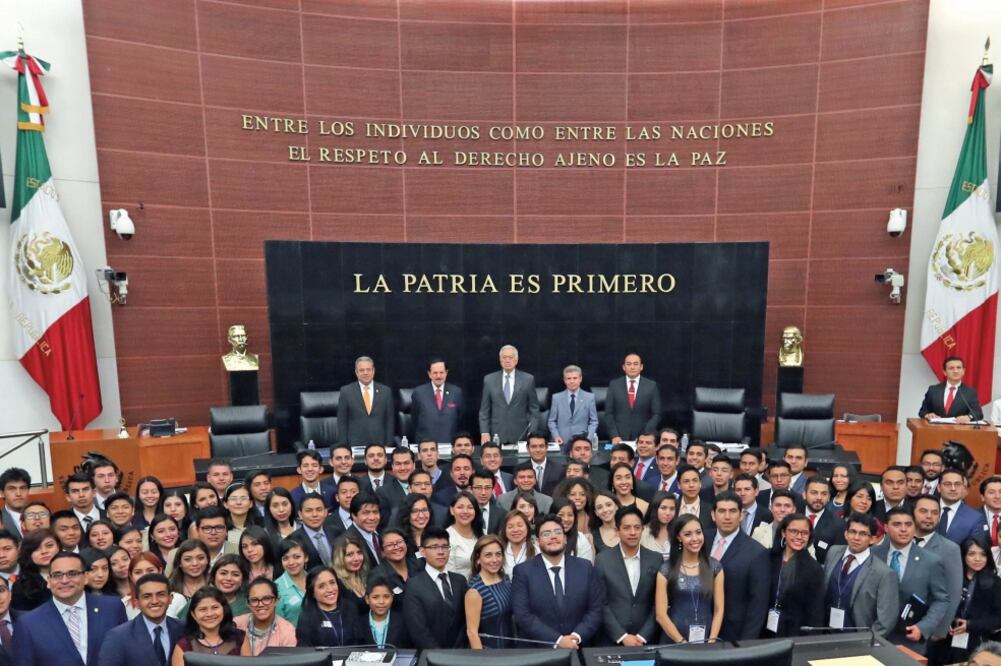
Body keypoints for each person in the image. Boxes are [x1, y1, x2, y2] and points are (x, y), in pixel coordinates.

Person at [13, 551, 127, 665]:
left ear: (86, 577)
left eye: (72, 574)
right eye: (57, 575)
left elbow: (127, 653)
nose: (64, 581)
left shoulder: (112, 608)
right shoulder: (29, 623)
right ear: (49, 581)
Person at [511, 513, 604, 647]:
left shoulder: (585, 567)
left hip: (578, 647)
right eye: (546, 534)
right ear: (537, 541)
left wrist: (577, 636)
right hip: (540, 650)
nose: (553, 537)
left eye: (557, 532)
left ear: (565, 538)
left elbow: (596, 609)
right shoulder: (523, 571)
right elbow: (523, 615)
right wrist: (558, 640)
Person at [873, 507, 951, 652]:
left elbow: (941, 600)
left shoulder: (931, 561)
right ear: (886, 528)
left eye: (908, 525)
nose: (903, 529)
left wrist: (923, 627)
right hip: (874, 636)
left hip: (909, 638)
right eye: (897, 525)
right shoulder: (873, 555)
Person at [822, 512, 899, 638]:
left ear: (873, 539)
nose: (856, 538)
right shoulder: (833, 552)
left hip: (858, 640)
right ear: (846, 534)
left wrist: (866, 641)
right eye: (853, 532)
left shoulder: (884, 573)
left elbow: (886, 621)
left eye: (863, 534)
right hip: (825, 633)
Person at [926, 538, 1001, 666]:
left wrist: (969, 625)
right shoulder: (950, 576)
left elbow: (998, 619)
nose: (978, 559)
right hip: (942, 639)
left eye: (982, 554)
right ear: (963, 554)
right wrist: (946, 620)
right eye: (972, 554)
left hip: (975, 644)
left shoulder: (995, 583)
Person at [706, 492, 770, 641]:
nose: (727, 517)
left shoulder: (757, 552)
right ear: (713, 515)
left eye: (733, 511)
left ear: (741, 515)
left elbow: (758, 605)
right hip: (698, 629)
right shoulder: (701, 540)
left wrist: (746, 644)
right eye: (722, 511)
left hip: (733, 635)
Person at [595, 506, 661, 646]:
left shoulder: (656, 559)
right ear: (617, 531)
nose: (633, 532)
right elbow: (601, 602)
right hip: (612, 639)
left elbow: (658, 604)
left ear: (643, 529)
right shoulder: (603, 560)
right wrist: (621, 636)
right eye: (626, 528)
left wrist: (643, 636)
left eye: (637, 527)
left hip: (646, 640)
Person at [654, 514, 724, 644]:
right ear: (678, 537)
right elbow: (661, 615)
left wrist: (712, 640)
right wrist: (681, 642)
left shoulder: (715, 567)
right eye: (687, 534)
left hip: (707, 641)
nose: (695, 538)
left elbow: (719, 609)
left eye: (698, 532)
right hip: (673, 641)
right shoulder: (666, 569)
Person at [97, 573, 184, 666]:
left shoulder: (183, 629)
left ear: (170, 598)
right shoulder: (118, 637)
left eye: (161, 594)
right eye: (147, 596)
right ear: (137, 602)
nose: (154, 601)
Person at [403, 526, 469, 648]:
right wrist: (439, 656)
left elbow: (465, 622)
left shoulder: (460, 581)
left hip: (462, 655)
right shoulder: (414, 585)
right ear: (422, 551)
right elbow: (418, 630)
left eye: (445, 547)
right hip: (431, 657)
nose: (441, 552)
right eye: (434, 547)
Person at [767, 514, 825, 636]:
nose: (799, 537)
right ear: (783, 533)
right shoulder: (768, 558)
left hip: (794, 634)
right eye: (793, 531)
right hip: (763, 631)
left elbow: (815, 614)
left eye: (804, 533)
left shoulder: (814, 569)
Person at [478, 344, 540, 444]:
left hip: (521, 434)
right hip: (496, 434)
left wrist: (532, 433)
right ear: (500, 359)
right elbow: (484, 410)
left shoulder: (528, 379)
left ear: (516, 360)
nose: (507, 360)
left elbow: (534, 409)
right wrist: (484, 432)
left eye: (510, 358)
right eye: (504, 357)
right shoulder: (489, 380)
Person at [465, 535, 514, 649]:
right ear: (478, 559)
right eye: (488, 555)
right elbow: (472, 633)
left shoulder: (506, 580)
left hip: (512, 650)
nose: (494, 560)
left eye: (498, 554)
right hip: (491, 655)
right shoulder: (475, 591)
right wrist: (483, 661)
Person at [170, 587, 245, 662]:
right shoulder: (184, 645)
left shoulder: (241, 638)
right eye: (203, 609)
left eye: (215, 607)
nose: (209, 614)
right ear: (193, 614)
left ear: (224, 610)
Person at [604, 353, 662, 443]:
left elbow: (656, 414)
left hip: (643, 439)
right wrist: (614, 435)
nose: (632, 367)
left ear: (641, 367)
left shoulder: (651, 386)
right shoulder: (614, 385)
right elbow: (608, 414)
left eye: (635, 364)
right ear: (624, 367)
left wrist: (644, 435)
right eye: (629, 364)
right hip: (619, 438)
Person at [338, 355, 395, 445]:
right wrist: (344, 446)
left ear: (373, 371)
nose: (365, 373)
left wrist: (388, 444)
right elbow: (342, 421)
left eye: (368, 369)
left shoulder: (386, 391)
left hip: (380, 445)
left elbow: (389, 421)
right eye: (362, 370)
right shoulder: (346, 391)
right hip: (355, 444)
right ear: (356, 372)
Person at [236, 577, 297, 655]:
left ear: (276, 600)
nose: (260, 604)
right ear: (248, 604)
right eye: (254, 600)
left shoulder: (287, 631)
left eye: (266, 599)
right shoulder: (236, 624)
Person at [412, 357, 464, 444]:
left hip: (450, 443)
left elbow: (460, 419)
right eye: (435, 373)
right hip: (426, 444)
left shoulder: (456, 392)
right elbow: (415, 419)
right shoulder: (419, 393)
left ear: (446, 373)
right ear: (429, 374)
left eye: (441, 372)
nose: (438, 376)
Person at [122, 553, 187, 620]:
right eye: (138, 572)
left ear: (160, 571)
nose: (145, 575)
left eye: (150, 570)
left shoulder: (177, 599)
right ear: (131, 576)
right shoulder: (124, 603)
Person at [919, 356, 983, 422]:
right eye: (951, 368)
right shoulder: (933, 390)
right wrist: (928, 415)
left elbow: (978, 413)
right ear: (944, 372)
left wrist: (969, 417)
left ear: (963, 371)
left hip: (959, 430)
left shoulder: (970, 392)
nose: (955, 371)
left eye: (958, 368)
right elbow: (923, 411)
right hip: (935, 429)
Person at [548, 365, 599, 448]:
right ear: (564, 380)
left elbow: (594, 421)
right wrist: (556, 436)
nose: (572, 381)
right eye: (569, 378)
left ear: (580, 379)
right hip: (562, 442)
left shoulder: (589, 397)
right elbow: (551, 421)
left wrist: (588, 438)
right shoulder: (556, 398)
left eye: (575, 378)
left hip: (582, 443)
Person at [10, 529, 58, 611]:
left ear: (58, 547)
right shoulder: (21, 586)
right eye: (36, 549)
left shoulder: (76, 572)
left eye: (49, 546)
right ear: (28, 553)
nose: (44, 551)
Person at [369, 528, 417, 609]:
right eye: (390, 545)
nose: (396, 547)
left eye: (399, 542)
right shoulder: (377, 576)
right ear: (382, 552)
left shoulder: (419, 565)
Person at [939, 468, 988, 544]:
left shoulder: (975, 518)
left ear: (963, 488)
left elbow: (975, 550)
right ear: (939, 488)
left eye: (957, 484)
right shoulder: (925, 509)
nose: (953, 488)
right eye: (948, 484)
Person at [803, 476, 846, 565]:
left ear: (829, 497)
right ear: (804, 494)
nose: (819, 497)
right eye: (814, 493)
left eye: (824, 494)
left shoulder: (839, 525)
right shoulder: (793, 515)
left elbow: (836, 561)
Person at [292, 495, 338, 568]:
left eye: (319, 510)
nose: (314, 514)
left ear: (326, 512)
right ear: (300, 514)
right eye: (309, 511)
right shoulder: (293, 540)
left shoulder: (337, 532)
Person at [363, 577, 410, 648]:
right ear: (367, 599)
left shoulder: (403, 621)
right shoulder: (358, 623)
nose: (381, 602)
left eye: (386, 596)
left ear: (392, 597)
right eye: (375, 597)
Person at [331, 535, 370, 620]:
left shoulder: (366, 577)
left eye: (359, 553)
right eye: (350, 555)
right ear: (339, 558)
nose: (356, 558)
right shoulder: (337, 585)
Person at [446, 491, 484, 578]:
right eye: (460, 507)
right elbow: (450, 574)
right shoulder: (447, 537)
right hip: (461, 589)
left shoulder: (481, 533)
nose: (465, 511)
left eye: (470, 507)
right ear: (452, 510)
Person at [275, 537, 309, 625]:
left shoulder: (315, 579)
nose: (291, 562)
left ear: (306, 558)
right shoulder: (276, 588)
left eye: (296, 557)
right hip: (293, 637)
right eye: (285, 558)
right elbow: (278, 623)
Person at [346, 492, 383, 566]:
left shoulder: (382, 533)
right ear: (354, 516)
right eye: (366, 513)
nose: (372, 518)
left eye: (375, 512)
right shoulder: (345, 542)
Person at [553, 498, 594, 563]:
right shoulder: (544, 539)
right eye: (561, 515)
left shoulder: (581, 539)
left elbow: (586, 569)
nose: (566, 519)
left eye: (570, 515)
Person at [468, 470, 505, 536]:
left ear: (493, 489)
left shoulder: (502, 514)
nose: (483, 493)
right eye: (478, 488)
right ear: (470, 489)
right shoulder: (463, 513)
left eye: (487, 488)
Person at [499, 510, 536, 576]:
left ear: (527, 527)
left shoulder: (537, 551)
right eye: (510, 527)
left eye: (519, 525)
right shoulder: (498, 551)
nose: (515, 530)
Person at [641, 492, 677, 559]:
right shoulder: (642, 532)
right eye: (663, 508)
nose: (668, 513)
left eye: (672, 509)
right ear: (655, 509)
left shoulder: (678, 532)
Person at [0, 468, 30, 541]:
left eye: (23, 488)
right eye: (11, 489)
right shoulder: (1, 520)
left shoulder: (43, 516)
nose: (18, 494)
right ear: (2, 493)